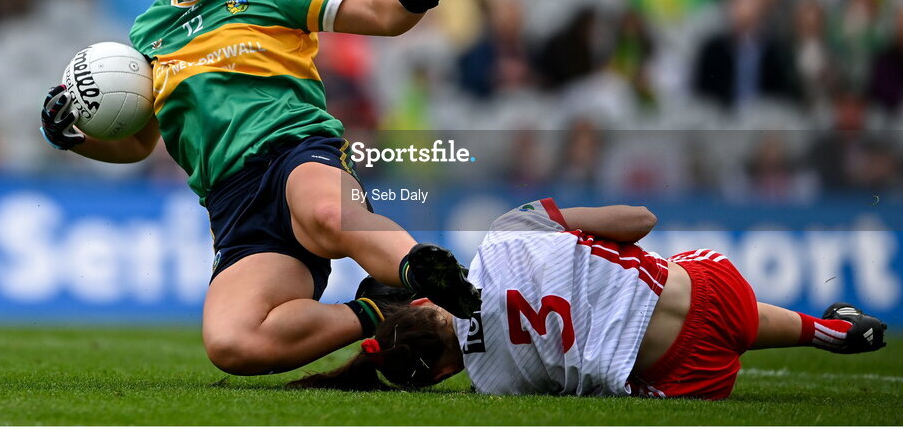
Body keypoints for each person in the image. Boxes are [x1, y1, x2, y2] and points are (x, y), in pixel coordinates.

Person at [38, 0, 481, 375]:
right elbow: (136, 145)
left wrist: (410, 2)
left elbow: (379, 16)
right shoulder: (149, 30)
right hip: (232, 204)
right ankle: (381, 308)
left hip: (296, 152)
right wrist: (74, 140)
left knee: (327, 215)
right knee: (233, 344)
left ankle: (425, 277)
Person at [292, 199, 887, 398]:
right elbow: (642, 217)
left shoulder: (493, 383)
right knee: (673, 275)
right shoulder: (507, 230)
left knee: (625, 348)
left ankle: (825, 326)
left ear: (439, 373)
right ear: (421, 303)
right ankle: (822, 328)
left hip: (689, 381)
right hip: (713, 289)